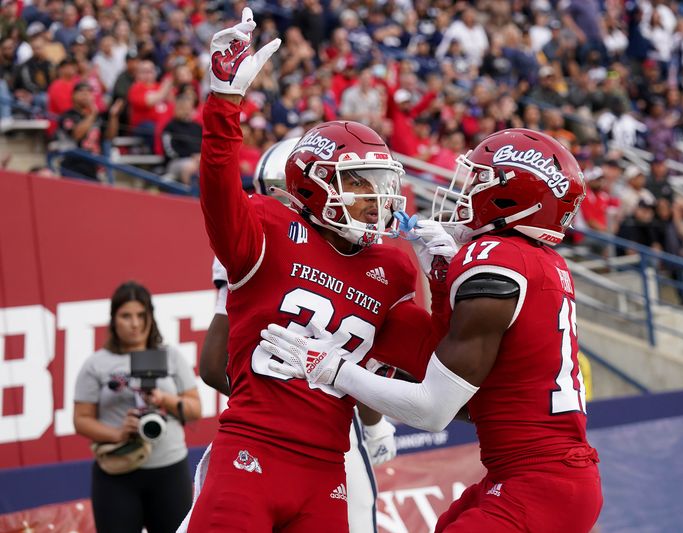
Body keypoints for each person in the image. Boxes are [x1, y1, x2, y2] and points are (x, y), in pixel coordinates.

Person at [263, 128, 603, 532]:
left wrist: (335, 370)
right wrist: (442, 282)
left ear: (512, 196)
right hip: (535, 474)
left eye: (480, 180)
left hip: (537, 482)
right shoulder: (541, 261)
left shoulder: (493, 260)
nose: (467, 190)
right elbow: (461, 366)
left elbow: (433, 409)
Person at [187, 11, 444, 531]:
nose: (377, 200)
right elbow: (217, 191)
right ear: (316, 185)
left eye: (379, 183)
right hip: (252, 450)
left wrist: (444, 274)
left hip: (329, 469)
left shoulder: (392, 265)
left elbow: (433, 356)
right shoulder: (267, 227)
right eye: (361, 184)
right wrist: (224, 103)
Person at [177, 139, 398, 533]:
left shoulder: (377, 262)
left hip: (319, 436)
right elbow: (214, 363)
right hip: (292, 434)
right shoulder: (264, 236)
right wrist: (285, 403)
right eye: (354, 183)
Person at [73, 281, 201, 533]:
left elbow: (195, 408)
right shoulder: (96, 364)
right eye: (126, 316)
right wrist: (118, 433)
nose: (135, 323)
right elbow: (81, 419)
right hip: (117, 474)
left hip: (169, 471)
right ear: (113, 320)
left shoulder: (171, 356)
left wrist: (165, 400)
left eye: (142, 315)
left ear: (151, 317)